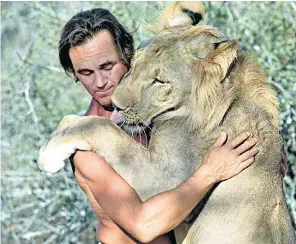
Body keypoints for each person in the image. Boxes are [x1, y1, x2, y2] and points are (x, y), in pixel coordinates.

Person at [58, 8, 261, 244]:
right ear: (74, 73)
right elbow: (144, 226)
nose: (100, 83)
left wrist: (262, 151)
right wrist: (211, 172)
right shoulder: (87, 149)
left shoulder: (156, 103)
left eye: (107, 66)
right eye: (86, 73)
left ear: (127, 55)